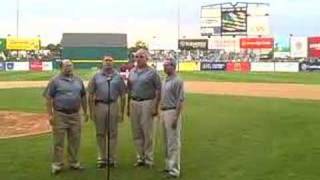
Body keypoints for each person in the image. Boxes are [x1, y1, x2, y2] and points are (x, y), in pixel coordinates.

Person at [43, 59, 88, 175]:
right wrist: (50, 114)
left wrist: (85, 111)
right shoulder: (55, 81)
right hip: (60, 114)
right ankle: (57, 164)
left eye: (70, 65)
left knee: (75, 140)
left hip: (75, 114)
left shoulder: (78, 80)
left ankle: (73, 162)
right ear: (61, 68)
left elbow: (83, 96)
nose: (69, 68)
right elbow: (48, 98)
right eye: (66, 66)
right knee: (59, 141)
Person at [88, 56, 126, 168]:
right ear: (102, 63)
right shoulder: (96, 76)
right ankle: (102, 158)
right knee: (100, 133)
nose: (108, 63)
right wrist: (91, 111)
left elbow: (123, 95)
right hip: (99, 105)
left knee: (113, 133)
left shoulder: (118, 77)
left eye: (110, 61)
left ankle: (111, 158)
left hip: (113, 104)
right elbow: (90, 94)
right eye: (106, 61)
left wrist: (121, 112)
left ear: (113, 63)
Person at [127, 49, 162, 167]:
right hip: (134, 102)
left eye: (141, 56)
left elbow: (158, 90)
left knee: (147, 132)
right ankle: (140, 157)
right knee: (136, 132)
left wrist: (155, 106)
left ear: (147, 58)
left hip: (147, 102)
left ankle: (149, 159)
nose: (138, 59)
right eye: (136, 56)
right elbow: (129, 89)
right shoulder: (132, 71)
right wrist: (128, 106)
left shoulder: (153, 73)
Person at [161, 58, 185, 178]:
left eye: (166, 65)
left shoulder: (178, 81)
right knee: (166, 141)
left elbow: (180, 100)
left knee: (173, 142)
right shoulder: (165, 79)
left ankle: (174, 170)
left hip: (172, 111)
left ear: (173, 66)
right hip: (164, 111)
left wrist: (176, 117)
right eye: (164, 65)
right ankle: (168, 166)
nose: (164, 67)